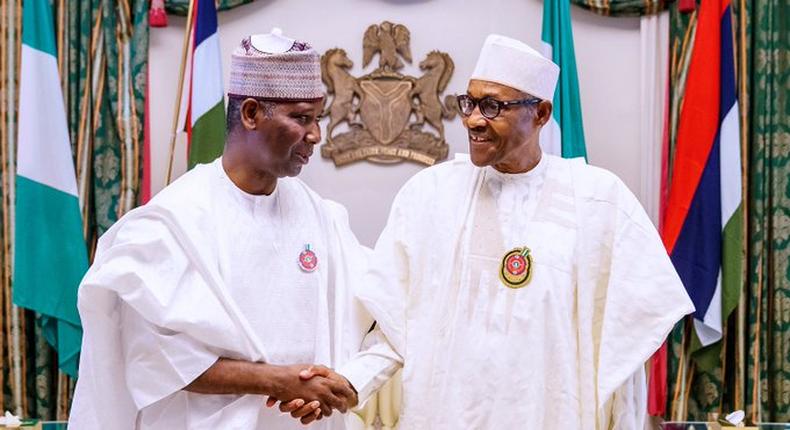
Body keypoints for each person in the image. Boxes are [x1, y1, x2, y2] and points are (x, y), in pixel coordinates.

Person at [297, 34, 696, 429]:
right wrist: (349, 384)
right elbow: (392, 326)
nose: (472, 119)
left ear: (540, 114)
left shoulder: (600, 201)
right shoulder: (428, 196)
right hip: (443, 415)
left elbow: (623, 351)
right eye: (470, 103)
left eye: (492, 106)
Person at [68, 31, 370, 430]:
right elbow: (151, 359)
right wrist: (275, 382)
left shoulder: (321, 216)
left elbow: (370, 311)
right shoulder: (173, 221)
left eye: (317, 119)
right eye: (300, 118)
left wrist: (327, 388)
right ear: (250, 113)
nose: (315, 135)